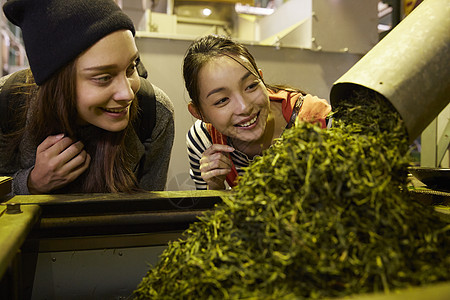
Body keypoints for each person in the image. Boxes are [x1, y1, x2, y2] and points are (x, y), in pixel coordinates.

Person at [0, 0, 174, 195]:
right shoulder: (8, 101)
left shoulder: (155, 113)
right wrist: (31, 183)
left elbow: (149, 214)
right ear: (57, 83)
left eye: (131, 67)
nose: (127, 94)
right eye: (104, 78)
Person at [184, 35, 331, 190]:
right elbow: (209, 212)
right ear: (200, 113)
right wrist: (214, 185)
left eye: (250, 86)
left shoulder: (318, 121)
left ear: (261, 80)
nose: (244, 107)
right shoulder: (204, 139)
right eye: (222, 100)